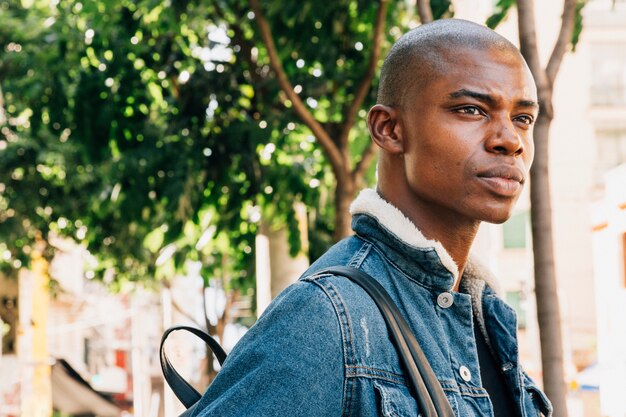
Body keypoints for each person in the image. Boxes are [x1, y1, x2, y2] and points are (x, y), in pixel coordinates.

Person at [193, 19, 552, 417]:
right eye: (471, 110)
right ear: (389, 129)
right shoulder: (326, 317)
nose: (510, 140)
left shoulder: (487, 318)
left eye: (523, 118)